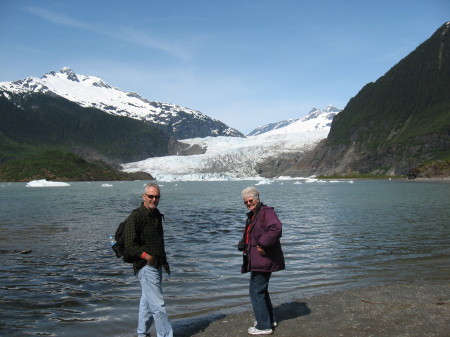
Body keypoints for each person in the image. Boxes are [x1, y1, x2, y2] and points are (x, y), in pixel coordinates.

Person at [124, 182, 173, 337]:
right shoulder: (136, 216)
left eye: (157, 197)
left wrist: (161, 261)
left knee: (147, 303)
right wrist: (147, 257)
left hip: (156, 264)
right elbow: (129, 244)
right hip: (145, 266)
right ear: (144, 197)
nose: (154, 199)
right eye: (151, 196)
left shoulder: (156, 214)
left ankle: (142, 333)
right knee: (158, 306)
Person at [239, 186, 285, 335]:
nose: (248, 203)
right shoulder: (255, 214)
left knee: (256, 291)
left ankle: (263, 326)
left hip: (263, 259)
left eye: (250, 200)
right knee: (261, 290)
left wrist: (262, 244)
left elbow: (276, 229)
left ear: (257, 199)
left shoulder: (267, 212)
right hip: (258, 260)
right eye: (245, 201)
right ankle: (268, 319)